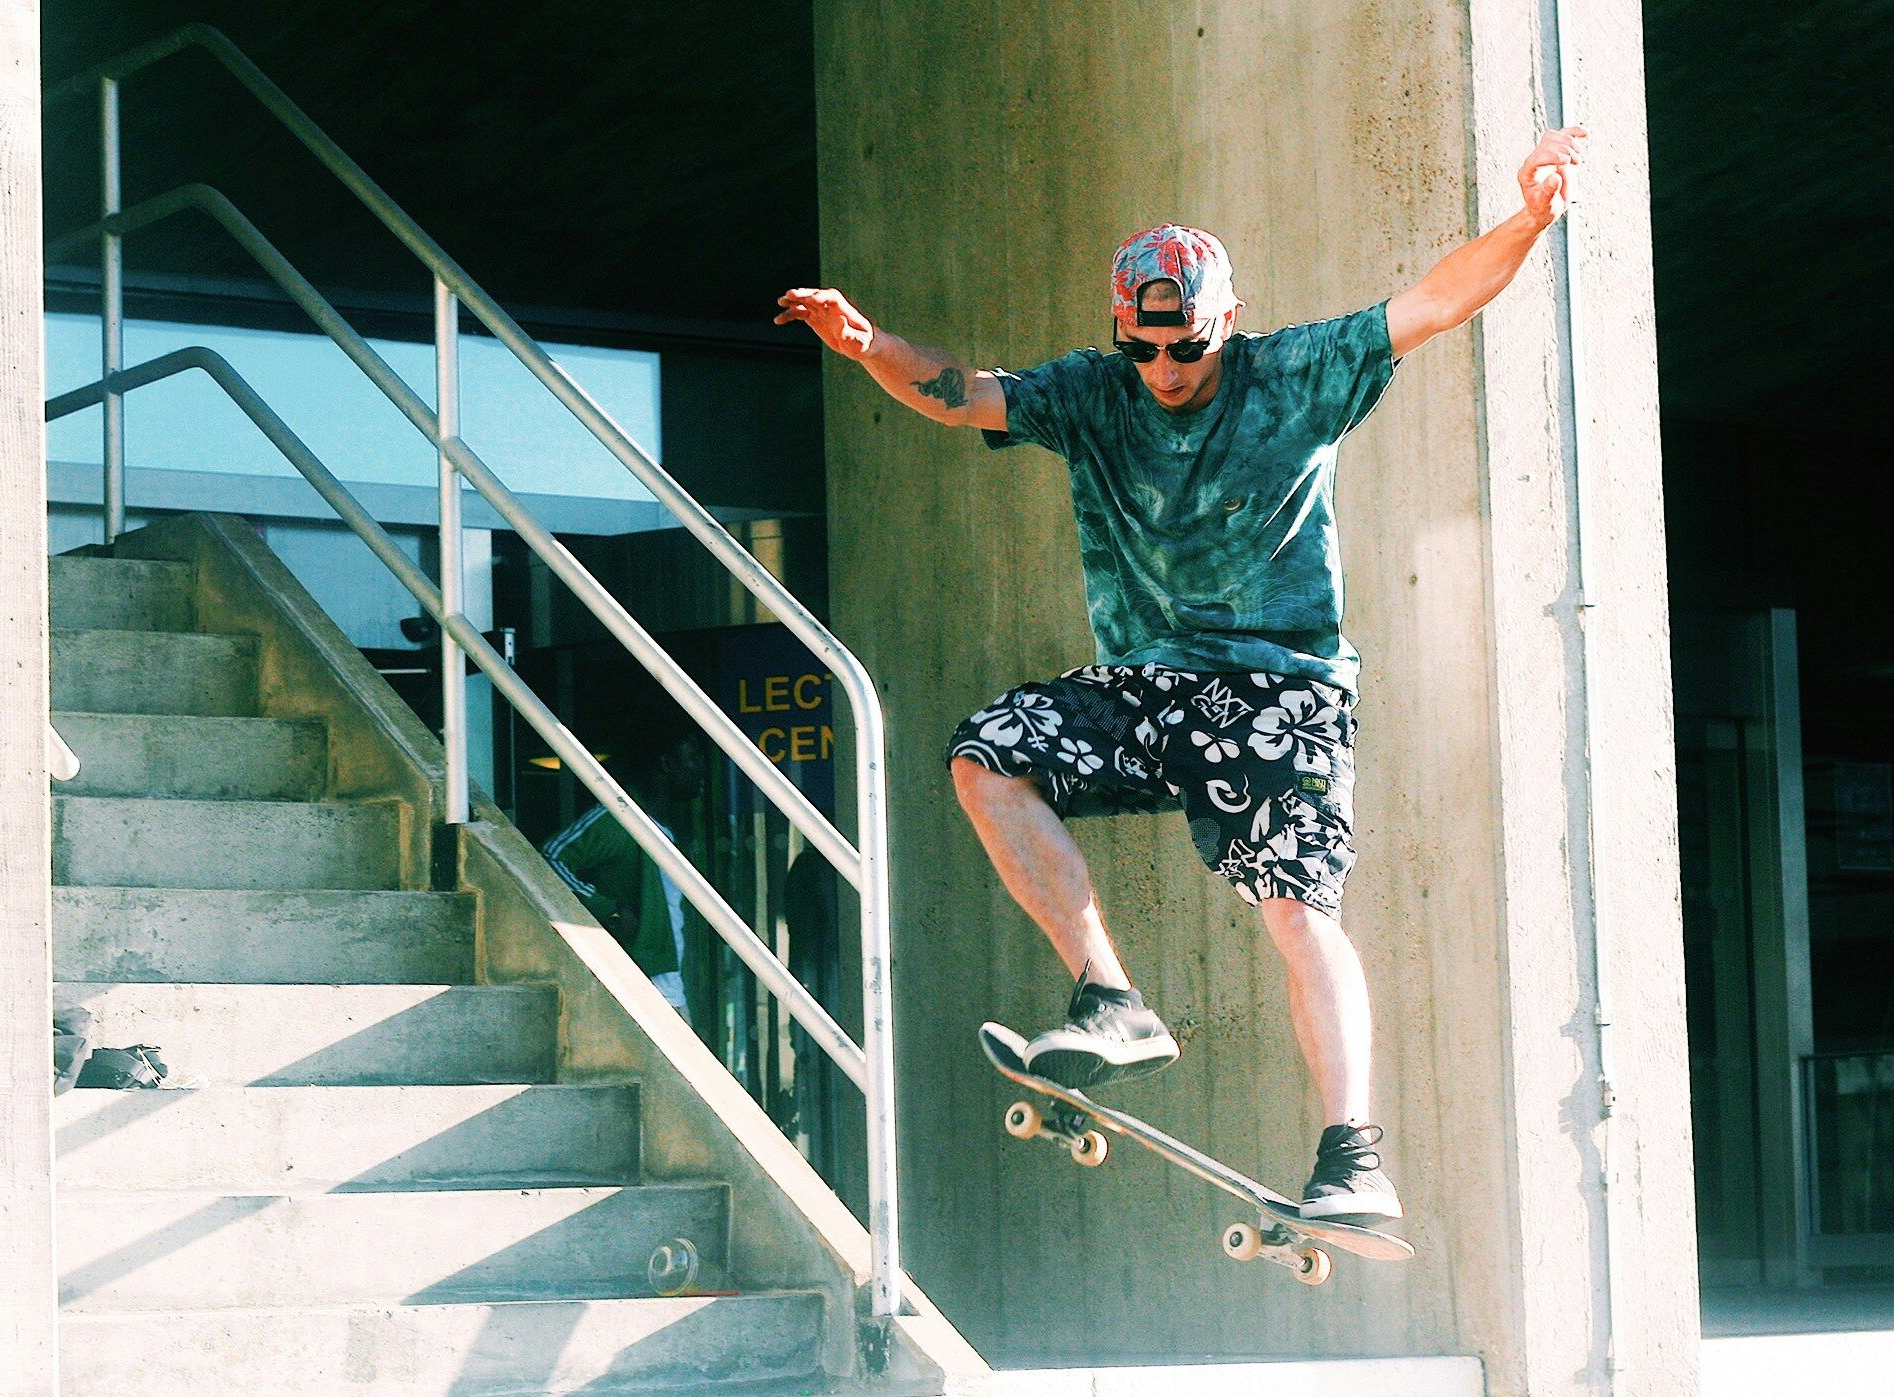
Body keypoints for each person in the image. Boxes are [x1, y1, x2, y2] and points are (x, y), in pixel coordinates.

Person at [775, 127, 1587, 1224]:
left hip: (1280, 692)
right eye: (1147, 352)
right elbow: (960, 391)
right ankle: (1110, 998)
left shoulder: (1297, 376)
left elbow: (1436, 302)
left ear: (1226, 322)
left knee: (1297, 910)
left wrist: (1530, 220)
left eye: (1187, 352)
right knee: (986, 756)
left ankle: (1352, 1157)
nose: (1165, 374)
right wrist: (864, 342)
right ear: (1122, 330)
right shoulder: (1090, 394)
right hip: (1146, 691)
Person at [544, 735, 709, 1022]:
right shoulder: (620, 818)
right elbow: (550, 857)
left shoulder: (668, 829)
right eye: (693, 757)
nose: (701, 768)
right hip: (638, 988)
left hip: (670, 990)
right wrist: (611, 911)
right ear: (666, 764)